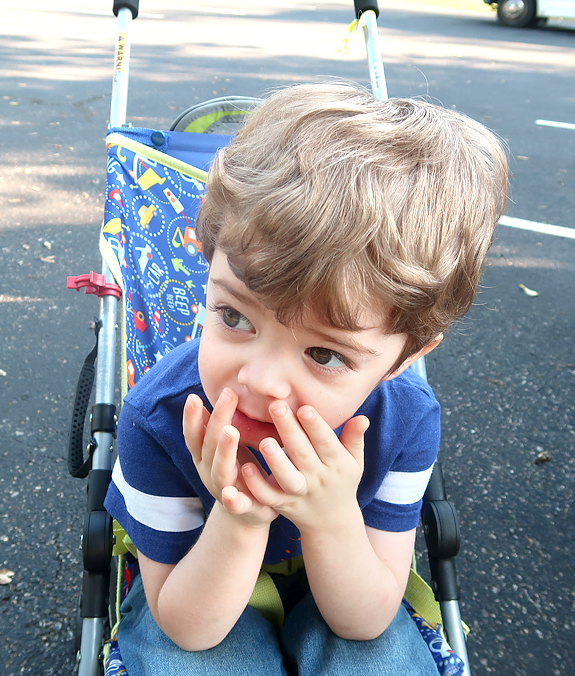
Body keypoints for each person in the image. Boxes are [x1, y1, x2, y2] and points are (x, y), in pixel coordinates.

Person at [104, 83, 508, 676]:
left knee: (381, 658)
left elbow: (364, 620)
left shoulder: (404, 420)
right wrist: (238, 517)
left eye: (325, 354)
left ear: (402, 358)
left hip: (346, 579)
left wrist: (333, 517)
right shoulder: (161, 417)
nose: (261, 379)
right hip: (193, 582)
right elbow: (187, 630)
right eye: (234, 316)